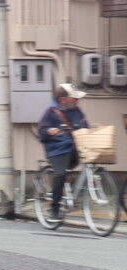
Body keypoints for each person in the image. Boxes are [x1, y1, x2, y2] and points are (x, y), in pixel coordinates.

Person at [37, 84, 91, 215]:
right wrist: (49, 131)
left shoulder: (76, 110)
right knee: (60, 174)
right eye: (74, 99)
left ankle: (69, 192)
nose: (76, 102)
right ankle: (54, 210)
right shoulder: (51, 112)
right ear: (62, 100)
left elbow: (85, 126)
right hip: (57, 150)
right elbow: (41, 131)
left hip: (73, 148)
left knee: (91, 160)